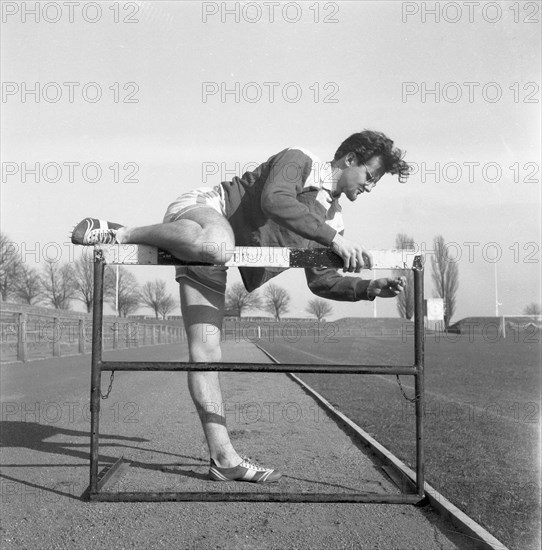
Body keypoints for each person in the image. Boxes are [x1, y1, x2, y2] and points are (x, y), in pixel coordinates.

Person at [72, 130, 409, 483]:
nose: (369, 187)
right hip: (203, 213)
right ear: (350, 159)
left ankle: (224, 459)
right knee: (217, 243)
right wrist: (335, 240)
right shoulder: (301, 160)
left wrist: (367, 287)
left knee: (206, 352)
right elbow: (274, 200)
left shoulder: (334, 218)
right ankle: (121, 233)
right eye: (369, 177)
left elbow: (321, 279)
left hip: (216, 254)